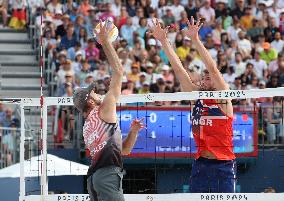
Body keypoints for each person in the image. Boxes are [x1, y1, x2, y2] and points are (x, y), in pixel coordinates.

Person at [150, 17, 236, 193]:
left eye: (209, 76)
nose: (206, 76)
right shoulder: (195, 97)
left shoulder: (223, 97)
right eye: (203, 76)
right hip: (201, 163)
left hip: (224, 164)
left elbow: (212, 68)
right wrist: (164, 41)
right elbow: (179, 69)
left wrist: (195, 39)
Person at [73, 20, 144, 201]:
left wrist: (133, 132)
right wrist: (106, 42)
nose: (97, 93)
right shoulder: (103, 109)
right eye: (94, 92)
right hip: (106, 176)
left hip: (95, 179)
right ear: (90, 100)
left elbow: (125, 151)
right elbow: (119, 72)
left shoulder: (87, 124)